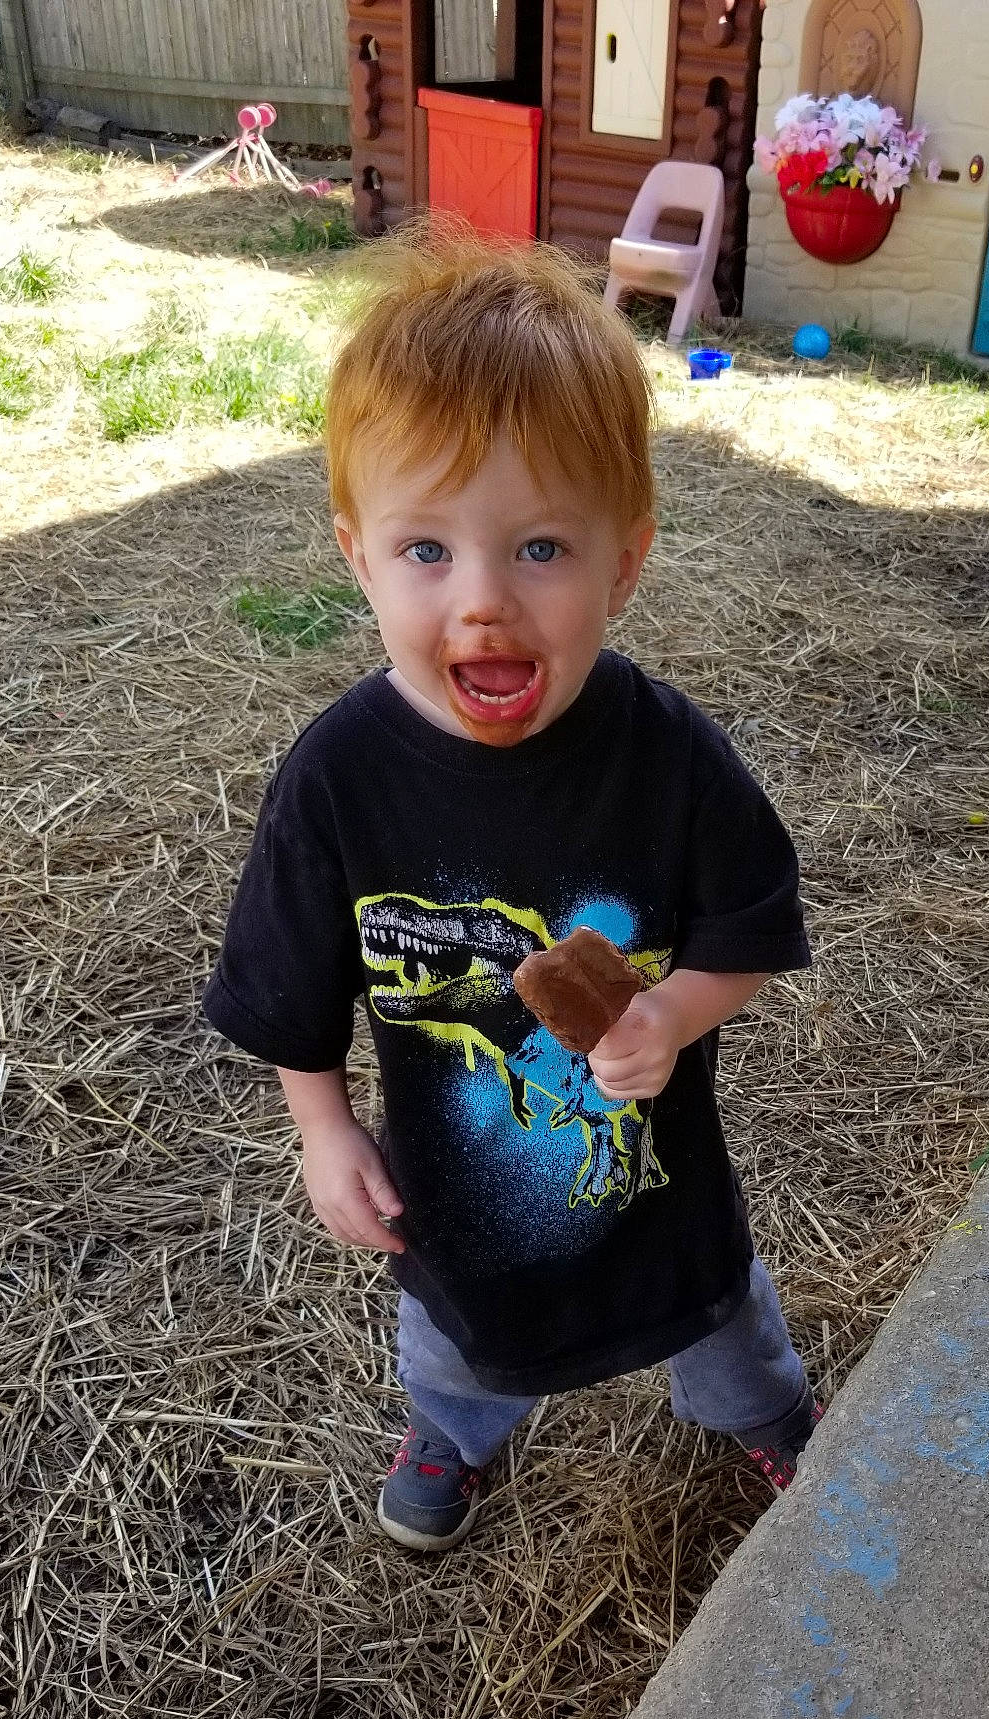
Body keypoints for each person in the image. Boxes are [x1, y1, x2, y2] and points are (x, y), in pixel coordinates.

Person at [203, 226, 818, 1553]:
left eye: (541, 548)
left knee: (719, 1325)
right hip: (458, 1201)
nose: (482, 605)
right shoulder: (340, 781)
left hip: (653, 1188)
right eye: (428, 551)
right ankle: (454, 1434)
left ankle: (770, 1419)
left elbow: (752, 927)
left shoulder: (669, 756)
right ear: (358, 555)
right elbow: (290, 991)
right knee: (455, 1351)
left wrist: (673, 1016)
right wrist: (325, 1130)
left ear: (625, 562)